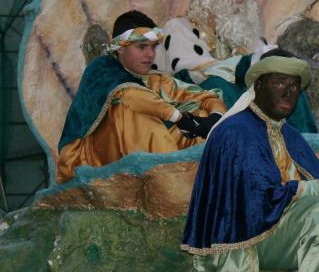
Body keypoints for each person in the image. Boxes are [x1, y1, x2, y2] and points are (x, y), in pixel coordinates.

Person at [180, 49, 319, 272]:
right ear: (259, 86)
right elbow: (258, 200)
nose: (288, 92)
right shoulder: (236, 132)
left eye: (294, 85)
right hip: (248, 241)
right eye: (280, 82)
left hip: (285, 227)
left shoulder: (289, 134)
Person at [56, 10, 226, 184]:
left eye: (153, 47)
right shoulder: (100, 69)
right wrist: (179, 117)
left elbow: (205, 97)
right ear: (120, 48)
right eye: (142, 47)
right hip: (87, 161)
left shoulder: (154, 79)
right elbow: (131, 96)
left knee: (201, 116)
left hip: (140, 150)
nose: (150, 54)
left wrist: (214, 118)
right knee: (132, 112)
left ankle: (199, 182)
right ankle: (173, 185)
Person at [153, 16, 318, 132]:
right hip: (208, 91)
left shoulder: (245, 31)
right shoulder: (181, 25)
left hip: (248, 87)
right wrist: (245, 63)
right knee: (218, 86)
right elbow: (191, 71)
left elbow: (263, 62)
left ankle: (305, 143)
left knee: (289, 81)